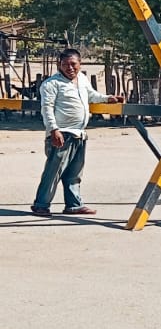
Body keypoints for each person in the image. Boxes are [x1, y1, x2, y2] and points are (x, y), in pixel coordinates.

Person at [31, 48, 120, 217]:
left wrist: (108, 98)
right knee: (53, 172)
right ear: (59, 65)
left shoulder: (82, 79)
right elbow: (47, 109)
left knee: (74, 173)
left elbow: (92, 95)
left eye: (73, 64)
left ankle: (73, 205)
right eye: (65, 64)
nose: (69, 68)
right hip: (62, 134)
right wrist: (54, 130)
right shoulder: (51, 84)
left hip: (79, 134)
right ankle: (41, 205)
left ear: (80, 64)